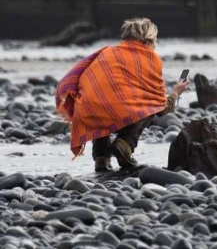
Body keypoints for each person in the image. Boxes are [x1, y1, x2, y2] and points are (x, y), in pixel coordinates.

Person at [55, 18, 189, 172]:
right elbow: (161, 107)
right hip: (116, 110)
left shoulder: (106, 52)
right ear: (148, 41)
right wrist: (176, 92)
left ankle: (101, 157)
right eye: (155, 42)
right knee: (148, 107)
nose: (154, 46)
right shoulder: (151, 59)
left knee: (98, 102)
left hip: (87, 111)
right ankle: (124, 144)